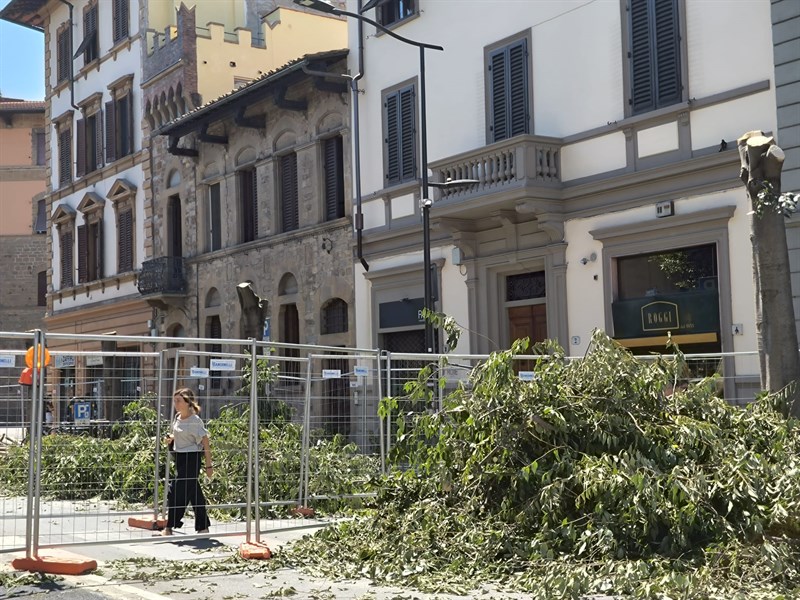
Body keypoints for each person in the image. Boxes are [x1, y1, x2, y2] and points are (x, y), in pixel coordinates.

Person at [162, 387, 212, 536]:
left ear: (188, 402)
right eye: (174, 400)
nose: (175, 403)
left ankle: (170, 526)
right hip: (180, 458)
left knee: (176, 491)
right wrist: (171, 438)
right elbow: (177, 433)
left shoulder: (195, 420)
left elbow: (205, 441)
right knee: (194, 493)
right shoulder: (177, 417)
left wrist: (209, 465)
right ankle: (203, 527)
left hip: (192, 458)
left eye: (179, 400)